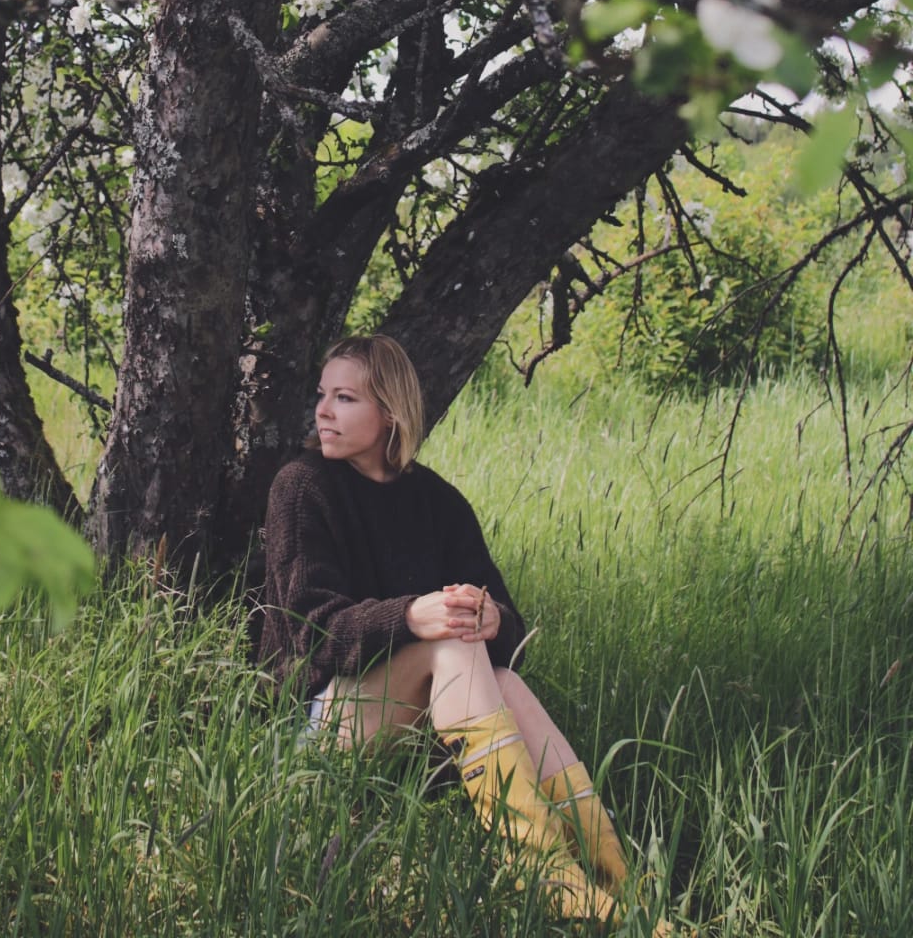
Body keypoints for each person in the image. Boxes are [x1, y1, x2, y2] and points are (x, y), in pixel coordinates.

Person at [258, 333, 671, 931]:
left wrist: (494, 618)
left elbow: (508, 633)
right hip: (319, 727)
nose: (323, 411)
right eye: (323, 395)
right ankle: (546, 876)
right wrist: (410, 616)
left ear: (390, 411)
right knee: (449, 643)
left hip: (429, 726)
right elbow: (309, 633)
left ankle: (617, 878)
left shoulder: (438, 501)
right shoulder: (301, 485)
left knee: (505, 680)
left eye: (344, 398)